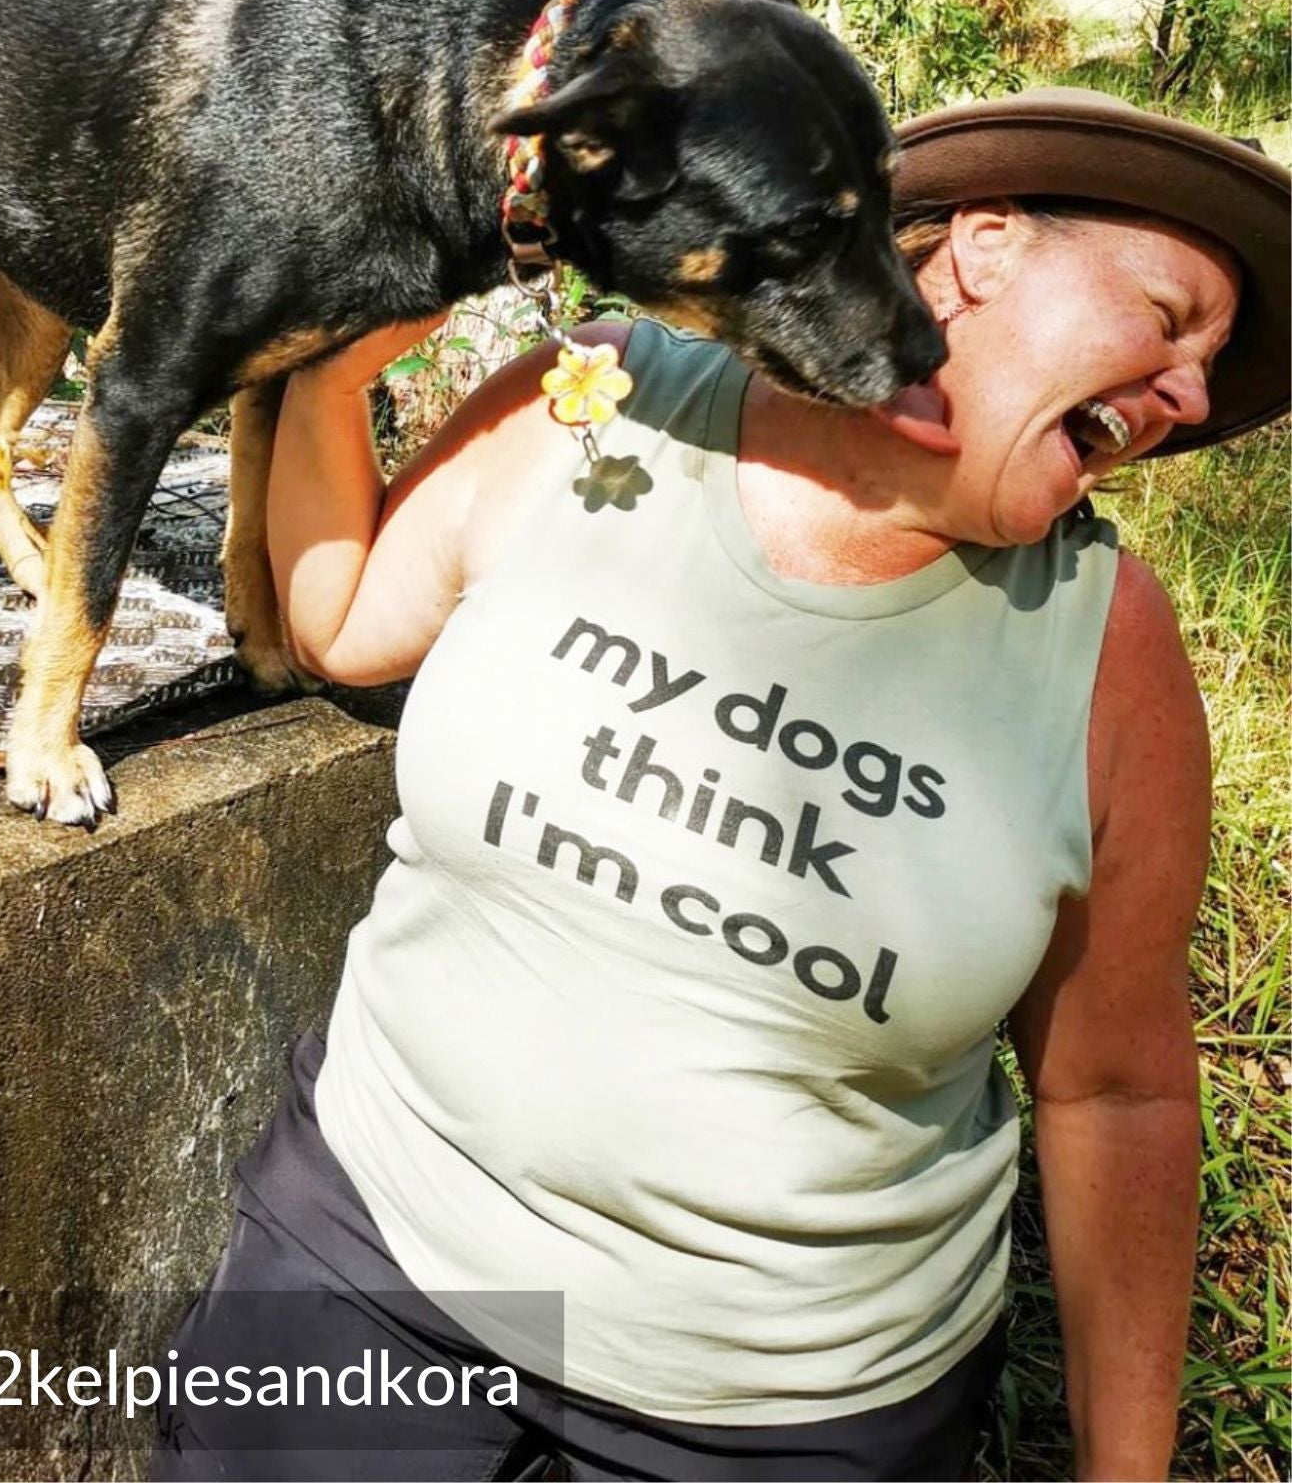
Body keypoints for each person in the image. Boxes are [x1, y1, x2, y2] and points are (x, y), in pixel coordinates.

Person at [151, 89, 1289, 1483]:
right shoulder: (605, 398)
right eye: (1170, 318)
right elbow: (344, 625)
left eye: (1208, 376)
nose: (1187, 398)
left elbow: (1116, 1093)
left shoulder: (1105, 651)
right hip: (367, 1268)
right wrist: (329, 381)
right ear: (984, 248)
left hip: (792, 1417)